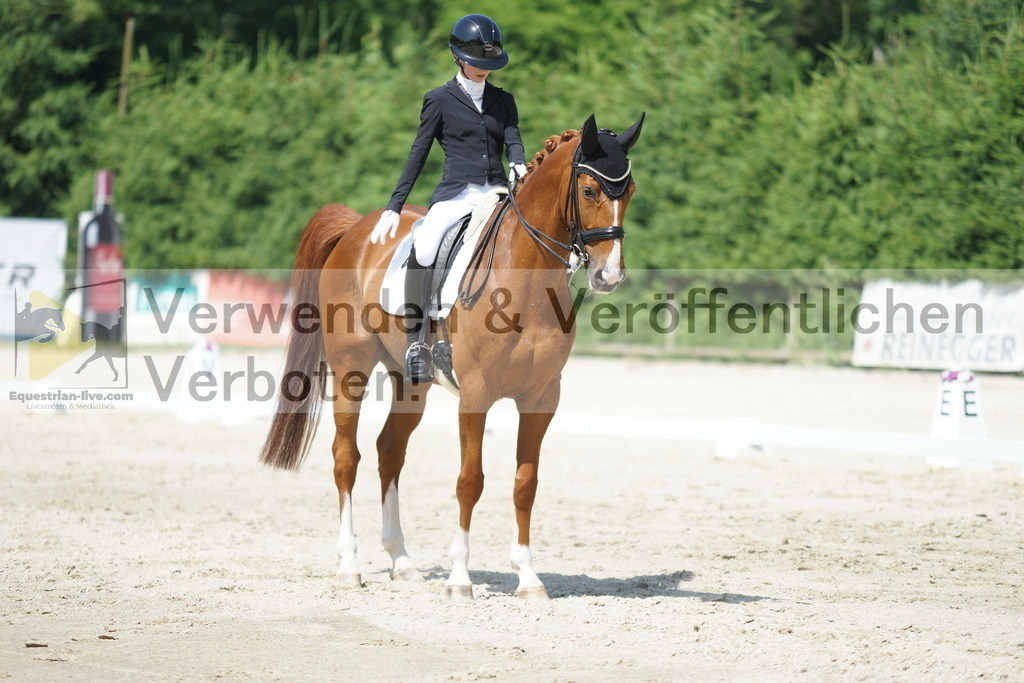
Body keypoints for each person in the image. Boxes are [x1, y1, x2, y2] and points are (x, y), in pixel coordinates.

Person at [369, 13, 528, 383]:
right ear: (458, 57)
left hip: (497, 192)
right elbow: (418, 153)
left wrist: (518, 161)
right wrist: (395, 205)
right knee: (424, 247)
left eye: (489, 64)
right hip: (456, 194)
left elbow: (513, 137)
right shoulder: (439, 100)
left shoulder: (503, 100)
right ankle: (416, 342)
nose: (483, 70)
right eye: (476, 63)